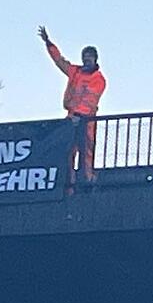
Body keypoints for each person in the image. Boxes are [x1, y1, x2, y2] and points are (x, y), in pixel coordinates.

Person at [38, 26, 106, 188]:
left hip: (86, 120)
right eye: (84, 57)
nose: (86, 60)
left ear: (95, 59)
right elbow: (60, 61)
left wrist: (79, 117)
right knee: (68, 150)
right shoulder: (75, 72)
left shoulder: (99, 79)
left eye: (89, 58)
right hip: (72, 117)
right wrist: (49, 43)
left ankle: (87, 179)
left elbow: (89, 99)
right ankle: (69, 182)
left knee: (86, 150)